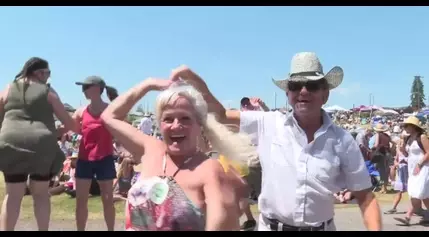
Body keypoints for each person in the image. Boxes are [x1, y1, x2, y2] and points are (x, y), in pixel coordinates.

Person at [170, 52, 382, 231]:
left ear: (325, 94)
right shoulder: (268, 123)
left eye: (312, 85)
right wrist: (196, 81)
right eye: (296, 85)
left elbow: (366, 197)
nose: (303, 91)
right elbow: (222, 115)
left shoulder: (343, 141)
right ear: (288, 93)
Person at [101, 78, 254, 231]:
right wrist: (147, 85)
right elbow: (109, 116)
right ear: (160, 124)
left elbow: (222, 223)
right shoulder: (151, 149)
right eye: (168, 119)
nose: (176, 126)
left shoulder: (210, 171)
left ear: (199, 124)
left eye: (185, 118)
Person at [0, 57, 75, 231]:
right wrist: (56, 132)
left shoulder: (9, 88)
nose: (48, 77)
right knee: (41, 194)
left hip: (10, 142)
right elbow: (70, 124)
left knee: (13, 194)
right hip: (42, 144)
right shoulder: (48, 91)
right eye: (47, 73)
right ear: (38, 72)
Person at [72, 76, 118, 231]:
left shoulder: (111, 110)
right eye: (83, 87)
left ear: (97, 89)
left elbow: (121, 131)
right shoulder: (80, 112)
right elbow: (72, 128)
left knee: (107, 199)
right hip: (84, 160)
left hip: (104, 158)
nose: (83, 90)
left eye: (86, 87)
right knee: (81, 201)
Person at [394, 116, 429, 226]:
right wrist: (402, 149)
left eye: (407, 125)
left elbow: (428, 152)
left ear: (413, 127)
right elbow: (407, 155)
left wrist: (420, 164)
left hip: (423, 167)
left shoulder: (422, 137)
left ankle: (407, 217)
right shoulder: (408, 139)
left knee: (417, 193)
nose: (405, 127)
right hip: (412, 169)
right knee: (423, 194)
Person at [385, 131, 409, 214]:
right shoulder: (398, 149)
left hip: (409, 171)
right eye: (401, 140)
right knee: (399, 190)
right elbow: (396, 159)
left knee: (414, 192)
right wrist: (396, 163)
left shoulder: (409, 149)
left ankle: (418, 208)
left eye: (404, 140)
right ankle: (394, 207)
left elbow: (413, 159)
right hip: (401, 171)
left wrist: (406, 159)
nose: (401, 142)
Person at [372, 123, 393, 193]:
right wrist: (391, 150)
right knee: (386, 171)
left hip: (381, 154)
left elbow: (376, 144)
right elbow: (393, 143)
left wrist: (373, 148)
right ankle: (385, 188)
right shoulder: (387, 135)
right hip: (388, 154)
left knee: (382, 171)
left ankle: (383, 188)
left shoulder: (378, 135)